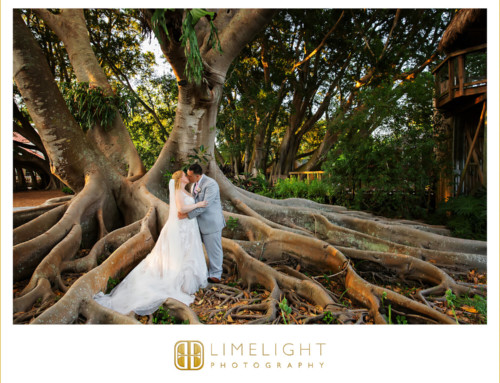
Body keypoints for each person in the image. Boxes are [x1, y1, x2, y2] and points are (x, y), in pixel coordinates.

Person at [93, 170, 208, 315]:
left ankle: (187, 280)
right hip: (181, 228)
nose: (187, 176)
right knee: (180, 254)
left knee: (188, 252)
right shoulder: (178, 191)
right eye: (185, 175)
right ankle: (177, 282)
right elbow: (180, 210)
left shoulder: (186, 190)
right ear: (180, 179)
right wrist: (198, 205)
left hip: (189, 227)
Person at [178, 163, 225, 283]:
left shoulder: (211, 184)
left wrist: (187, 215)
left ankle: (216, 274)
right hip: (197, 223)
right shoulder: (194, 184)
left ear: (197, 176)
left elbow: (205, 205)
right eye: (187, 176)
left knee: (214, 249)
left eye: (190, 176)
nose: (188, 178)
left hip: (211, 222)